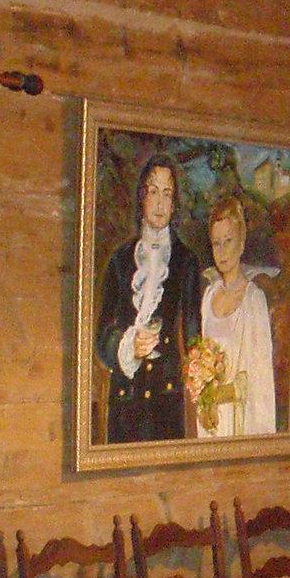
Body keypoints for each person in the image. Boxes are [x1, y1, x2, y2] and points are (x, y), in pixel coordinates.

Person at [94, 154, 201, 443]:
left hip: (166, 401)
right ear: (142, 196)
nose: (160, 203)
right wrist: (128, 345)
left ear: (174, 203)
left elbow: (194, 336)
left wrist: (200, 370)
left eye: (167, 194)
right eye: (153, 191)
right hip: (124, 399)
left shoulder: (186, 261)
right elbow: (101, 340)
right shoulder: (119, 261)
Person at [196, 194, 277, 438]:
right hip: (211, 417)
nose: (222, 251)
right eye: (216, 243)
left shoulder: (253, 300)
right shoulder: (209, 296)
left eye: (228, 241)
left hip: (240, 417)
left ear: (241, 244)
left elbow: (260, 378)